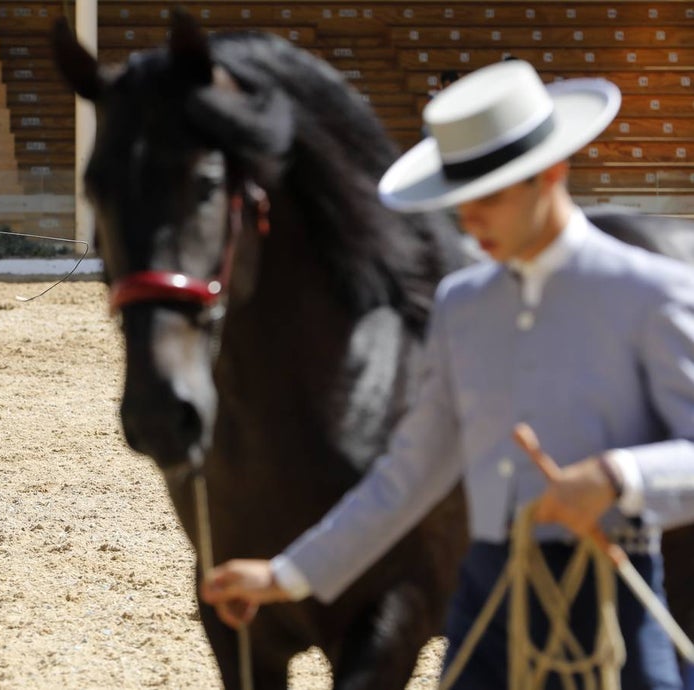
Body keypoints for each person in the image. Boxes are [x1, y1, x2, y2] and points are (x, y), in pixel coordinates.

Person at [201, 60, 694, 689]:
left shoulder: (652, 295)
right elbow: (408, 474)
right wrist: (286, 575)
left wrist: (619, 476)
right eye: (460, 201)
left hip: (612, 599)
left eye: (489, 197)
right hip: (487, 603)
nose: (471, 221)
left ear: (550, 174)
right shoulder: (461, 305)